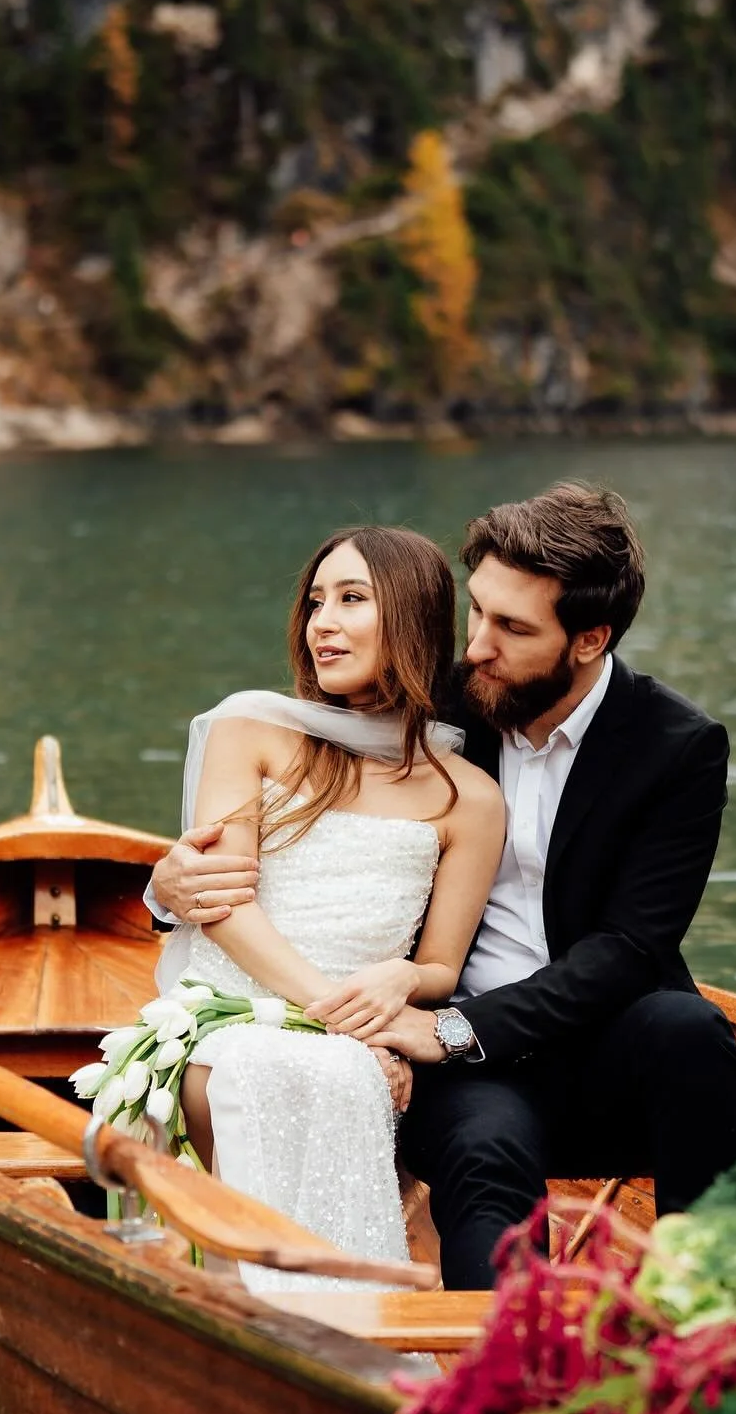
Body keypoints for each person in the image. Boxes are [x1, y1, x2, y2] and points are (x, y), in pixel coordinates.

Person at [151, 484, 736, 1290]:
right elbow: (297, 822)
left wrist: (452, 1029)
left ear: (590, 639)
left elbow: (629, 948)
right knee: (485, 1150)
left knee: (692, 1033)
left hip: (587, 1032)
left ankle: (723, 1308)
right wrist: (167, 889)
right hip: (457, 1063)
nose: (476, 647)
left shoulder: (675, 746)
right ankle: (501, 1353)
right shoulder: (426, 698)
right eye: (476, 612)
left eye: (512, 628)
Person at [144, 526, 503, 1294]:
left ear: (411, 618)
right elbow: (221, 903)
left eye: (351, 600)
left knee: (339, 1076)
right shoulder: (250, 730)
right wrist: (338, 1023)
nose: (323, 625)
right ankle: (267, 1308)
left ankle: (354, 1313)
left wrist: (402, 985)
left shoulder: (469, 796)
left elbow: (442, 965)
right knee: (276, 1068)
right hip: (232, 1020)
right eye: (315, 603)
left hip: (359, 1035)